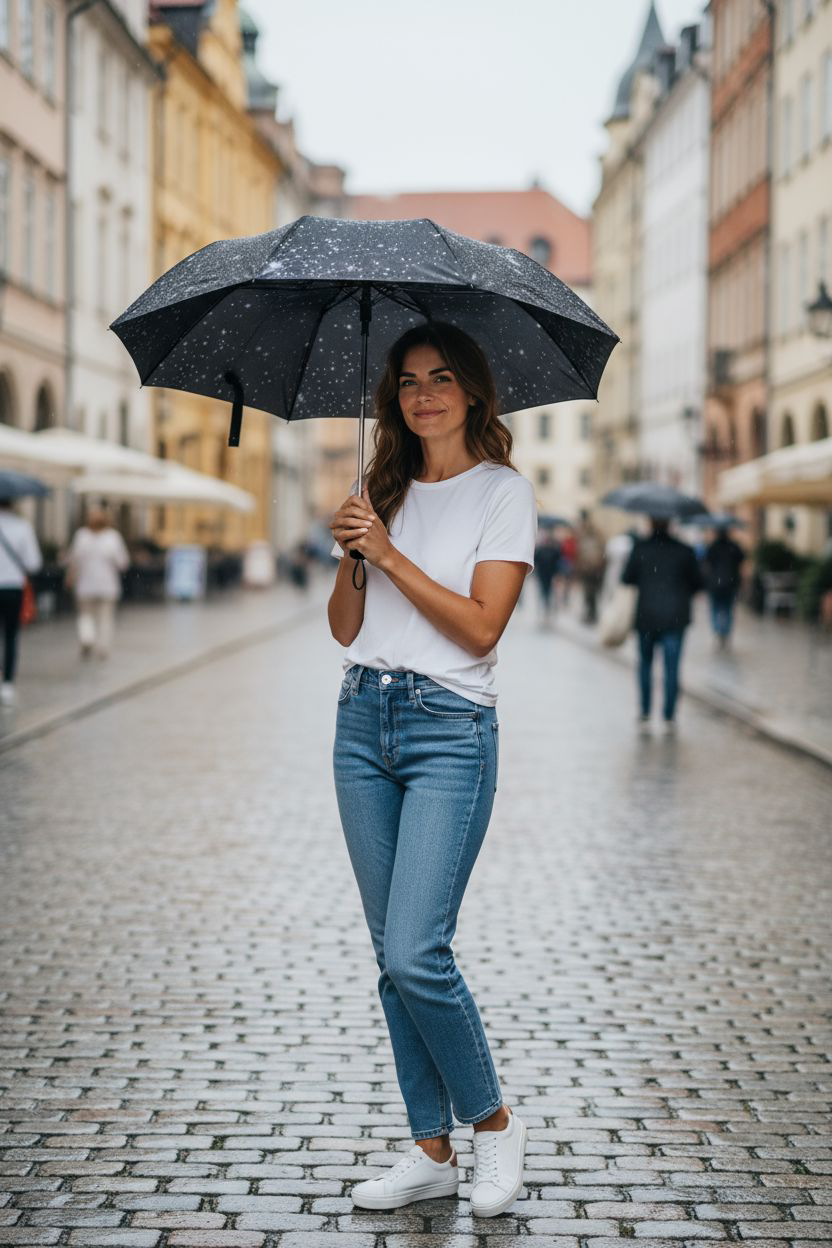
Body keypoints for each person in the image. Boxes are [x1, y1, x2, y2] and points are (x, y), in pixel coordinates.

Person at [327, 322, 536, 1218]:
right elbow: (344, 627)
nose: (424, 394)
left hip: (450, 728)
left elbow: (481, 627)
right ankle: (430, 1148)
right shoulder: (380, 491)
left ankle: (492, 1125)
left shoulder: (504, 493)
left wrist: (390, 554)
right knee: (388, 957)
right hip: (361, 719)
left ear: (473, 391)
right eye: (408, 380)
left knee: (419, 950)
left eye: (442, 377)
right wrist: (353, 552)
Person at [621, 516, 704, 732]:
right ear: (670, 524)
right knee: (672, 668)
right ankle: (669, 714)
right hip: (675, 617)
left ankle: (646, 712)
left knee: (645, 666)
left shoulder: (640, 548)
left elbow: (627, 578)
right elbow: (698, 583)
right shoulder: (685, 550)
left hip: (647, 616)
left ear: (650, 523)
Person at [65, 506, 129, 659]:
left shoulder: (81, 536)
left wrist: (70, 576)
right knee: (105, 618)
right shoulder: (113, 537)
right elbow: (123, 563)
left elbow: (73, 560)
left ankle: (87, 638)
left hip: (85, 585)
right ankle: (103, 647)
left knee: (86, 615)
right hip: (107, 585)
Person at [0, 496, 42, 706]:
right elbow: (34, 563)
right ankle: (7, 683)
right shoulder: (22, 527)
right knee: (10, 635)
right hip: (12, 588)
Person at [702, 527, 745, 649]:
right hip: (730, 584)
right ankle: (725, 632)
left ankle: (718, 630)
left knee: (715, 608)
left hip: (715, 584)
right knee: (728, 609)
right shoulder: (734, 547)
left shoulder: (712, 547)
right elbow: (741, 560)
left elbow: (706, 564)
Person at [574, 511, 605, 623]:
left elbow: (581, 553)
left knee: (591, 593)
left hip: (592, 569)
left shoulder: (588, 536)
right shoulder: (585, 536)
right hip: (589, 569)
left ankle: (592, 614)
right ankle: (591, 613)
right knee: (589, 593)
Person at [532, 528, 561, 625]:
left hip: (549, 575)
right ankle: (544, 610)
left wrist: (557, 574)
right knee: (544, 593)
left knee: (547, 593)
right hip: (543, 575)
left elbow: (557, 563)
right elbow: (536, 561)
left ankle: (547, 610)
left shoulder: (554, 550)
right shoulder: (542, 550)